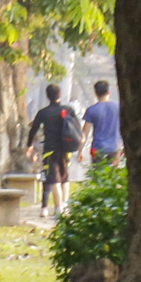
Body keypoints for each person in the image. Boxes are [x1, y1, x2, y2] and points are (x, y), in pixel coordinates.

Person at [24, 83, 81, 216]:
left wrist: (29, 145)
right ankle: (64, 206)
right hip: (66, 149)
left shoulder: (43, 112)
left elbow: (33, 130)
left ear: (47, 96)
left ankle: (59, 207)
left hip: (50, 149)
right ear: (60, 95)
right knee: (64, 177)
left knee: (54, 178)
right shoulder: (68, 110)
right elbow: (77, 128)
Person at [82, 80, 122, 166]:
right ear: (109, 92)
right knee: (112, 173)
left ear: (96, 93)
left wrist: (80, 151)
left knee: (98, 172)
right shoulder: (119, 108)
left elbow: (85, 133)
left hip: (98, 148)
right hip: (114, 148)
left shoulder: (92, 110)